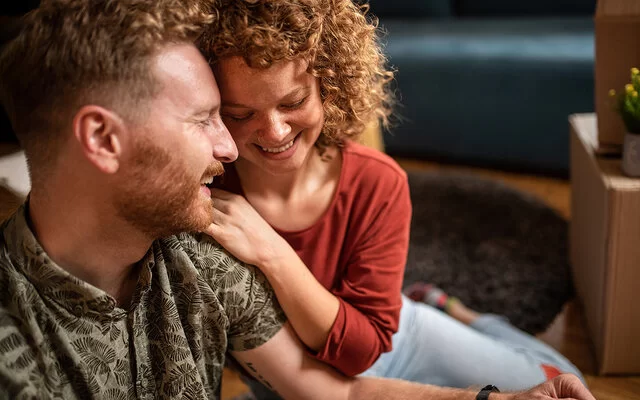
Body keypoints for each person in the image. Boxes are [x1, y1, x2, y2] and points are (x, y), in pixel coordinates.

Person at [0, 0, 596, 399]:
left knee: (557, 374)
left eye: (290, 104)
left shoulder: (200, 244)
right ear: (103, 138)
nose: (230, 147)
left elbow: (343, 385)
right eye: (216, 117)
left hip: (389, 334)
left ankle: (459, 312)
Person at [198, 0, 587, 397]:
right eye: (241, 114)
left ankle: (457, 311)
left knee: (561, 381)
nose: (275, 131)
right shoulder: (206, 187)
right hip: (297, 385)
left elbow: (360, 353)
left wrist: (271, 251)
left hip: (401, 343)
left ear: (328, 86)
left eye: (293, 102)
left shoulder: (377, 183)